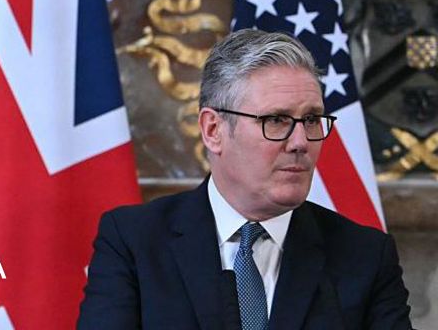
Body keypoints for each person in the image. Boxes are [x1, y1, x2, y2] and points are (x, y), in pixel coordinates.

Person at [77, 29, 411, 330]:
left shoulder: (365, 256)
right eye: (276, 120)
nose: (300, 142)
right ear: (213, 130)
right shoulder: (133, 241)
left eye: (311, 119)